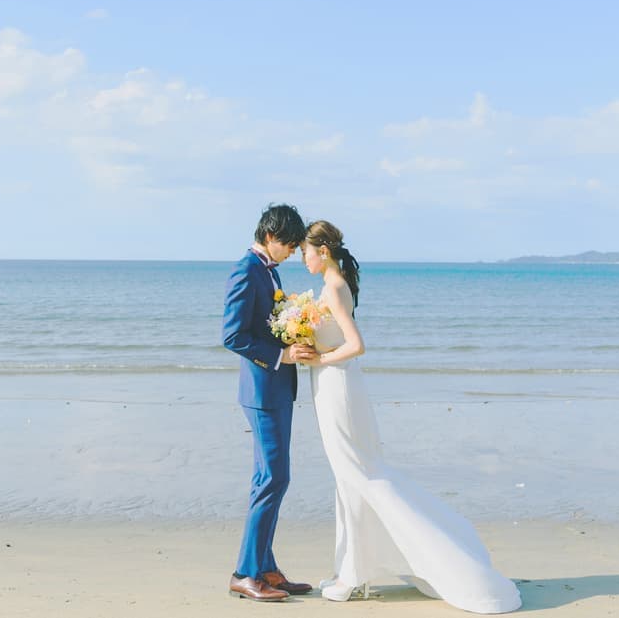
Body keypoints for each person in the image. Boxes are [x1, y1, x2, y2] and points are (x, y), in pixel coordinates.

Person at [299, 220, 521, 614]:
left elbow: (356, 344)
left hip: (337, 384)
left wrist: (319, 359)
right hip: (333, 384)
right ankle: (349, 570)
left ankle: (355, 575)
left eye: (306, 252)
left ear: (324, 251)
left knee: (358, 476)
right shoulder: (331, 284)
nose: (304, 259)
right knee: (349, 478)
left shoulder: (333, 288)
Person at [221, 203, 318, 601]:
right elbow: (232, 336)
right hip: (262, 391)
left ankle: (265, 568)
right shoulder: (246, 270)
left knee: (271, 479)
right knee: (274, 479)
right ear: (270, 236)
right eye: (290, 244)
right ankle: (245, 573)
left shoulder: (269, 270)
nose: (293, 251)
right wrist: (282, 355)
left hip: (276, 390)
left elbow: (268, 325)